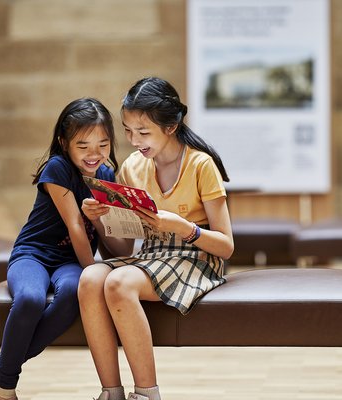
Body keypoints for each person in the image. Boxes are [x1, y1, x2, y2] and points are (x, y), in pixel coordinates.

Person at [0, 98, 130, 400]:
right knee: (29, 299)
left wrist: (105, 229)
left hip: (69, 262)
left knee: (70, 295)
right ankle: (7, 386)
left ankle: (0, 369)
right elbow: (76, 227)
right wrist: (92, 271)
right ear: (64, 143)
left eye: (103, 145)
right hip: (33, 255)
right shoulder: (57, 168)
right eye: (83, 146)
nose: (94, 154)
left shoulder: (106, 176)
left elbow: (113, 241)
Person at [79, 77, 234, 400]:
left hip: (197, 255)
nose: (134, 140)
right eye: (128, 130)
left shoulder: (200, 164)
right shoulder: (133, 168)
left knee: (119, 283)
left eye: (143, 132)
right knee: (91, 277)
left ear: (171, 126)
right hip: (151, 255)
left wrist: (181, 226)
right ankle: (111, 392)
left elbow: (226, 246)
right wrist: (103, 221)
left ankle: (147, 394)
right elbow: (122, 247)